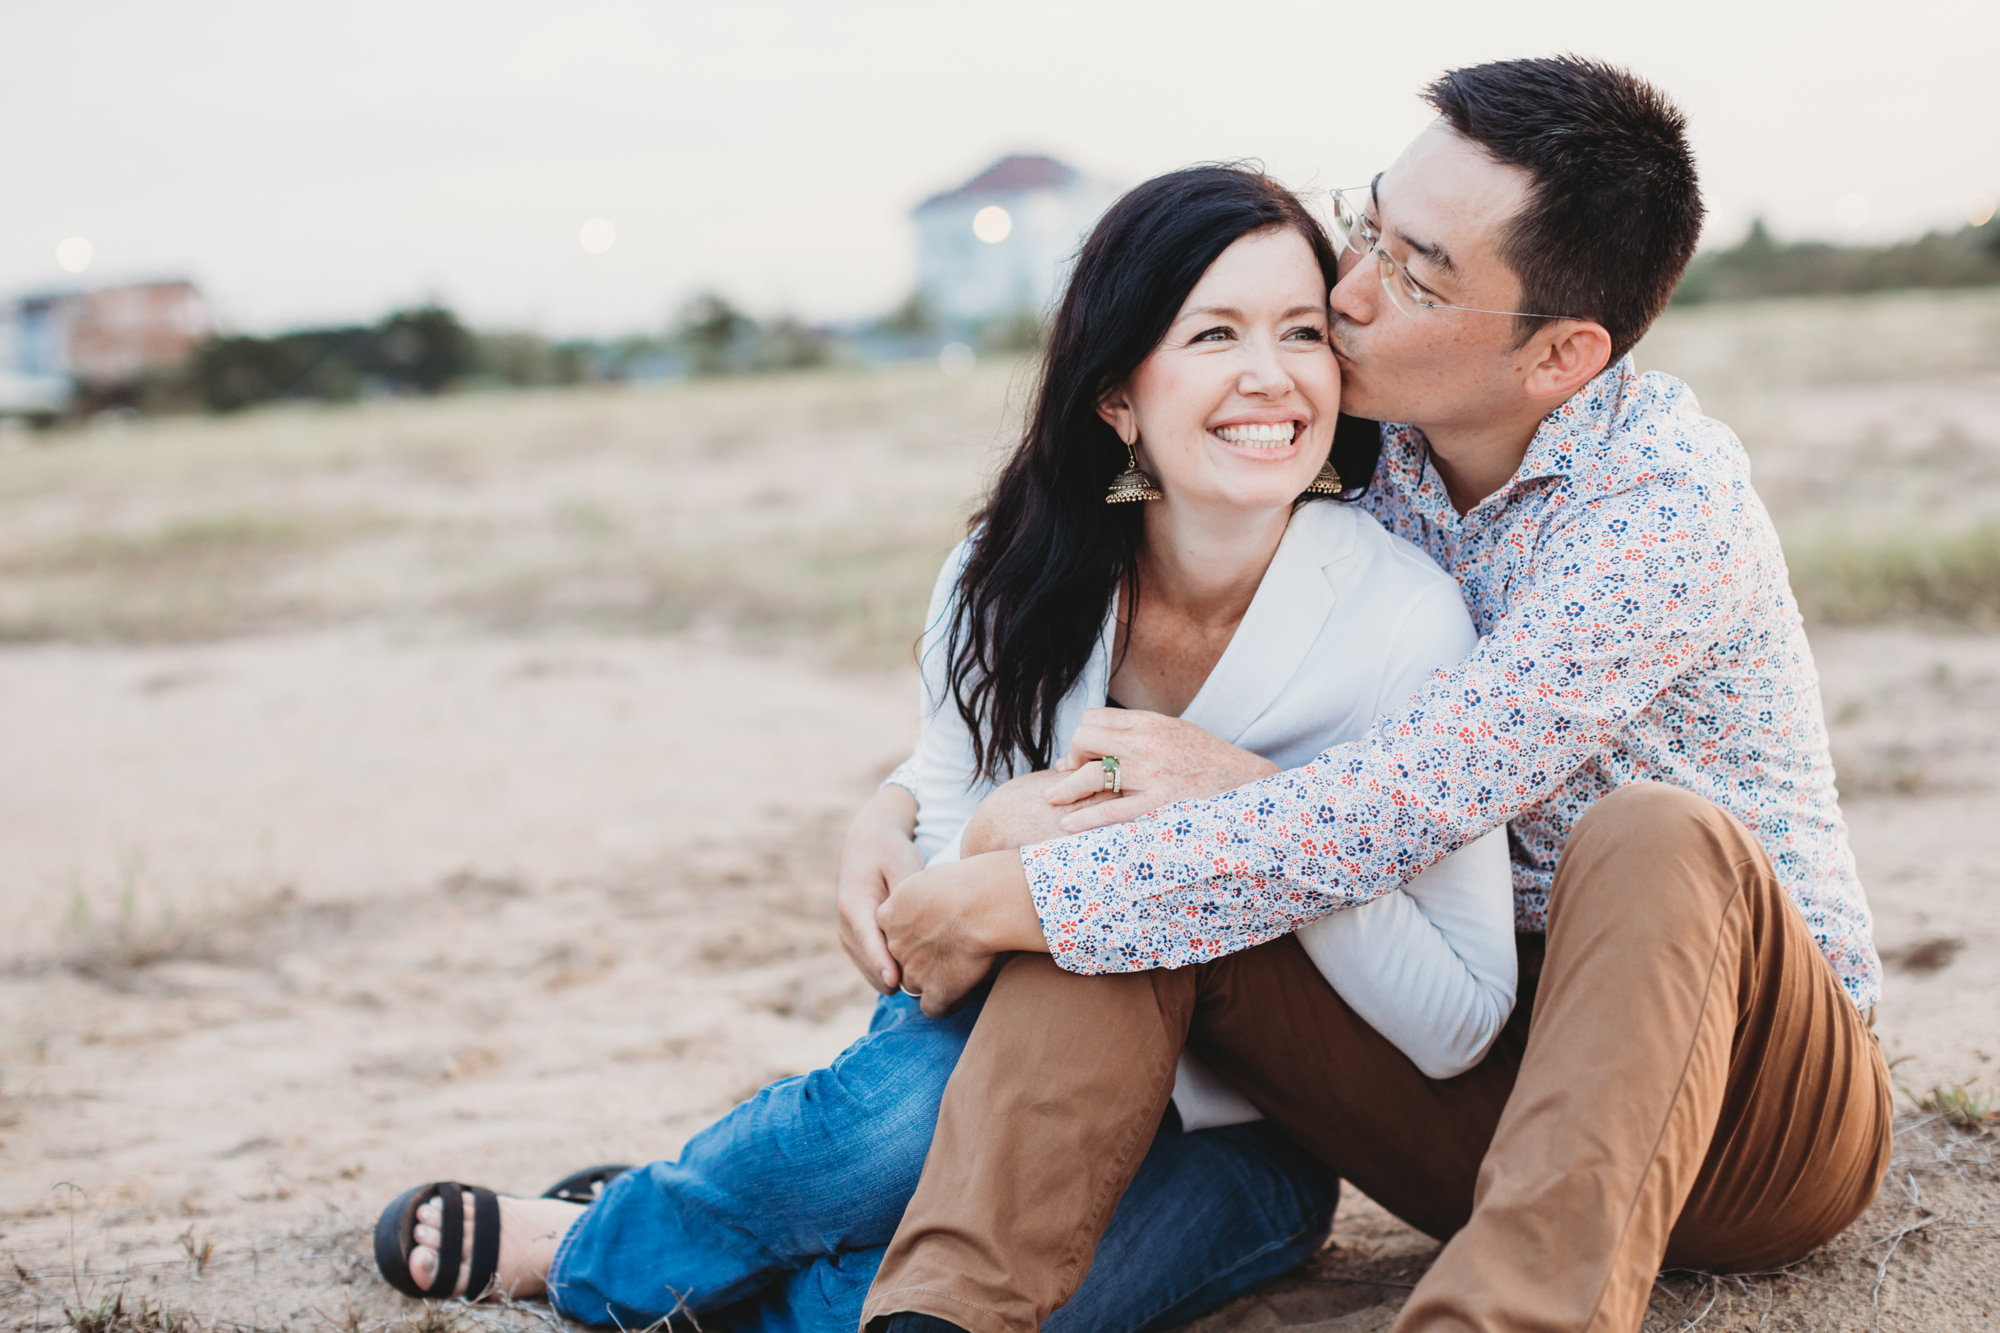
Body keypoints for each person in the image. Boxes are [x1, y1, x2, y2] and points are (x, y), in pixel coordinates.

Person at [369, 165, 1519, 1332]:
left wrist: (1257, 816)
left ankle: (641, 1245)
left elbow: (1456, 1016)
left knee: (942, 1302)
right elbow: (932, 930)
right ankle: (612, 1245)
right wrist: (944, 827)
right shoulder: (1006, 577)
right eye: (1211, 332)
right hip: (1002, 1033)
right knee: (879, 1133)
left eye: (1302, 332)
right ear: (1117, 394)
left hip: (1242, 1129)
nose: (1267, 375)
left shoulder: (1400, 619)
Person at [859, 58, 1892, 1333]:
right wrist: (897, 804)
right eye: (1366, 227)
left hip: (1747, 1099)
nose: (1341, 295)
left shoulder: (1661, 508)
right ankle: (942, 1314)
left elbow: (1398, 806)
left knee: (1651, 829)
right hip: (1470, 1083)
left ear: (1561, 353)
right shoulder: (1354, 439)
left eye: (1413, 273)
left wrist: (1011, 892)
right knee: (1134, 873)